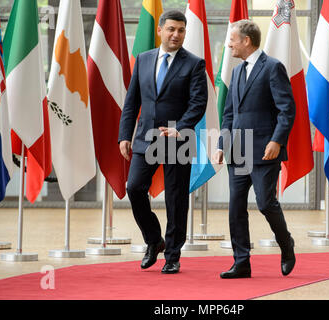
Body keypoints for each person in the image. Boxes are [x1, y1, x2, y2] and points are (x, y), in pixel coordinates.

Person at [118, 10, 208, 274]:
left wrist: (179, 128)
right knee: (134, 188)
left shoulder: (194, 64)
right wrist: (125, 135)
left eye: (181, 30)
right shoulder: (143, 60)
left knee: (176, 199)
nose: (176, 35)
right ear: (160, 30)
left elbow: (197, 104)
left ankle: (172, 255)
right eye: (171, 29)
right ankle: (153, 240)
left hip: (178, 139)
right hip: (145, 138)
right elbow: (131, 101)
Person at [213, 20, 296, 279]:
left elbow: (287, 110)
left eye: (233, 39)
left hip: (264, 150)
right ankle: (241, 262)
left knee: (265, 203)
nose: (229, 44)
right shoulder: (237, 72)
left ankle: (286, 244)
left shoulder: (273, 68)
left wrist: (277, 141)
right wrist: (221, 145)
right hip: (238, 151)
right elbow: (228, 114)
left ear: (246, 41)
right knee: (236, 206)